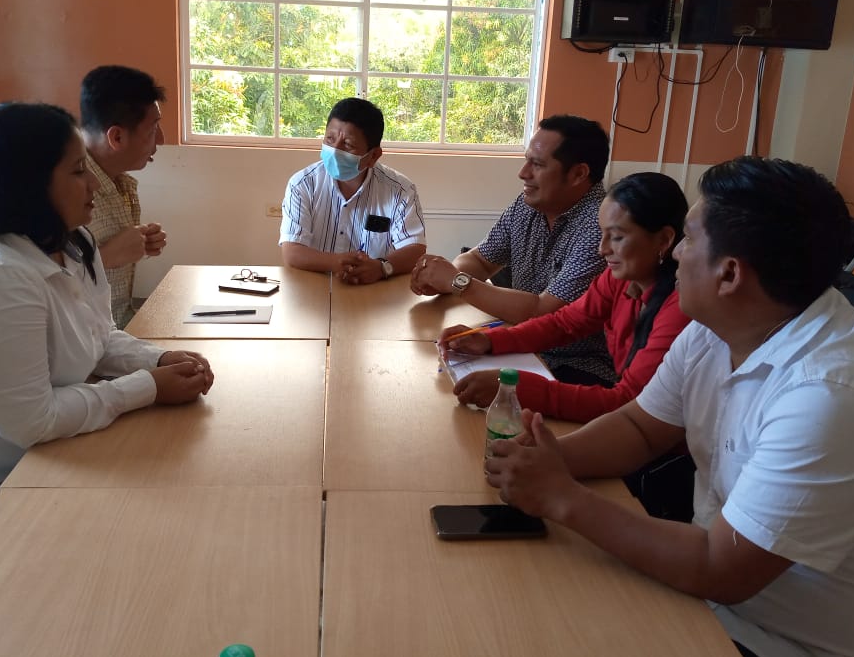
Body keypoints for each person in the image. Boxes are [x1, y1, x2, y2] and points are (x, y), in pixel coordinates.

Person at [486, 156, 854, 657]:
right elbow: (640, 427)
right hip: (712, 603)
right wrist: (547, 458)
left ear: (729, 274)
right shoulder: (717, 328)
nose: (677, 253)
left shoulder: (830, 397)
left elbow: (720, 568)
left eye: (687, 238)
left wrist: (561, 496)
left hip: (786, 643)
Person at [0, 103, 214, 574]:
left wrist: (158, 359)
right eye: (77, 171)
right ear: (27, 182)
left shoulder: (74, 243)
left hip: (25, 464)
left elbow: (100, 336)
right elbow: (33, 421)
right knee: (109, 561)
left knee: (150, 518)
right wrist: (149, 387)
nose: (94, 185)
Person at [441, 172, 690, 423]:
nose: (602, 249)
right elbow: (564, 323)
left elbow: (628, 404)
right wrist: (489, 340)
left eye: (616, 237)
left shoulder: (679, 310)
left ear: (664, 240)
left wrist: (515, 388)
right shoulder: (620, 278)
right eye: (602, 234)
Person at [412, 114, 613, 384]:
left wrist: (457, 282)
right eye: (527, 160)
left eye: (537, 164)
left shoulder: (602, 225)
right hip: (517, 344)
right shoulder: (529, 205)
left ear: (578, 174)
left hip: (575, 365)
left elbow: (544, 313)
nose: (523, 173)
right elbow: (480, 260)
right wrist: (444, 279)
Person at [280, 97, 427, 284]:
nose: (335, 150)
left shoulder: (400, 191)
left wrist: (382, 267)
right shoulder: (302, 184)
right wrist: (338, 263)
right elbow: (292, 252)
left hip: (375, 289)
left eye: (348, 145)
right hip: (314, 287)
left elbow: (415, 249)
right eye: (330, 139)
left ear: (373, 156)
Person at [80, 65, 168, 328]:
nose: (161, 139)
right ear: (117, 136)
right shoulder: (64, 190)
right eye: (153, 128)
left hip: (117, 330)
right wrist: (106, 256)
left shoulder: (122, 183)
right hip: (86, 342)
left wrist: (139, 245)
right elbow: (41, 284)